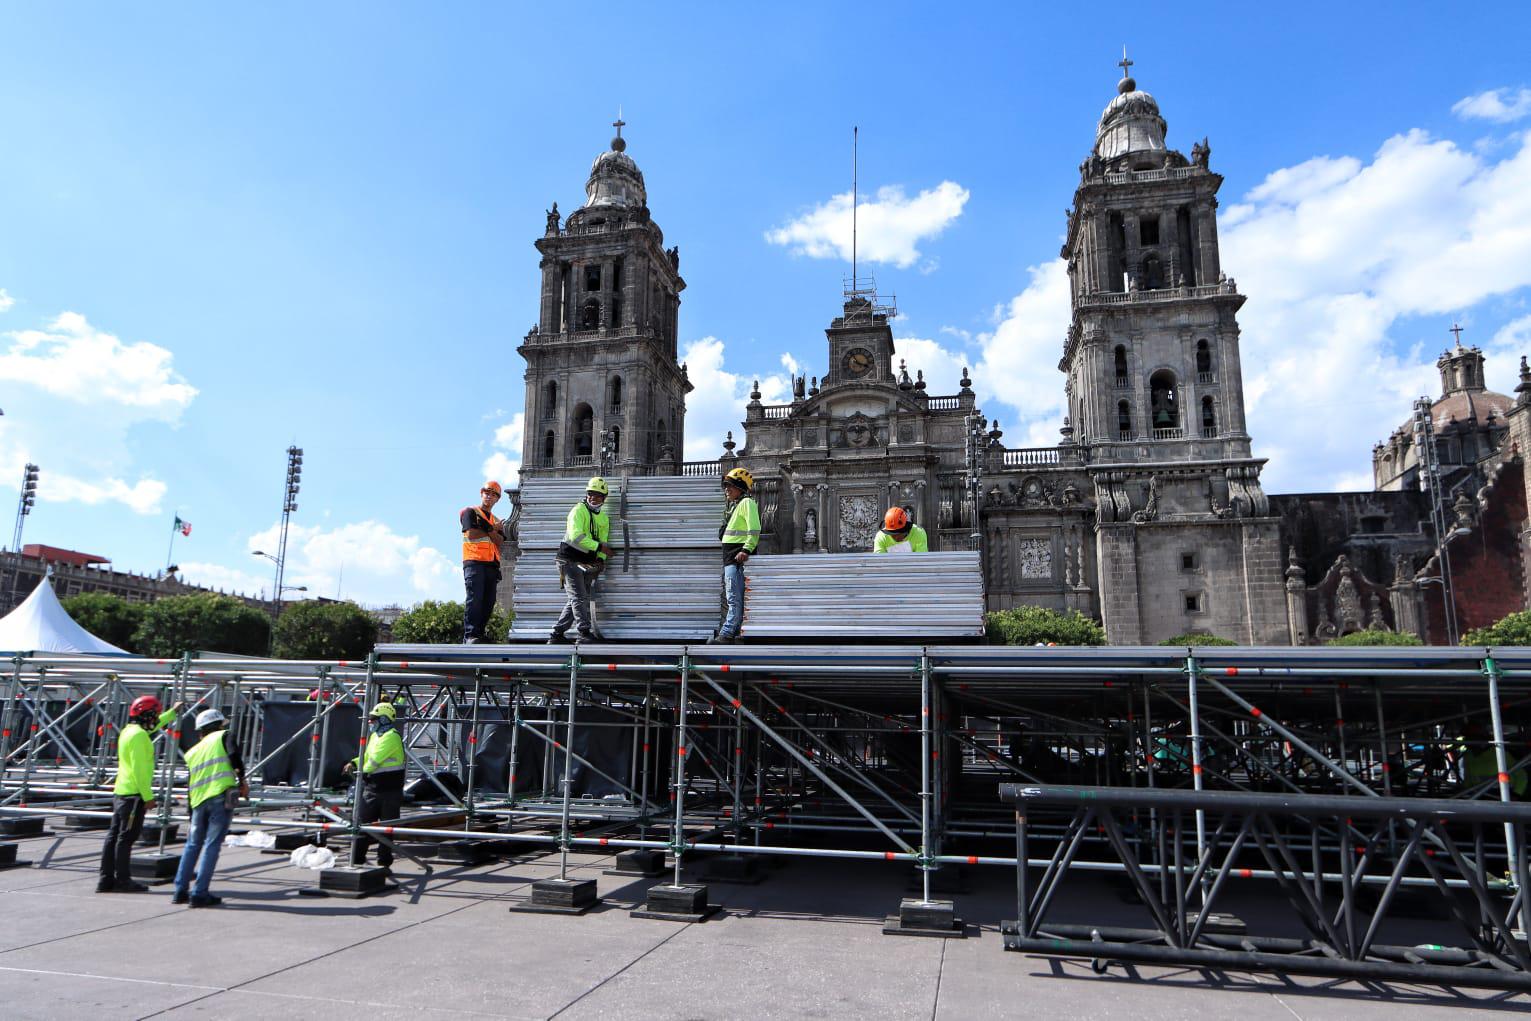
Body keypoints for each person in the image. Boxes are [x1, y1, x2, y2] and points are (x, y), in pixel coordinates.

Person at [97, 695, 182, 893]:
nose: (155, 718)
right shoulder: (139, 736)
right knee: (126, 838)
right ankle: (123, 880)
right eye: (154, 715)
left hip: (122, 792)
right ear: (146, 715)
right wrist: (147, 796)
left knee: (114, 837)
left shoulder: (129, 731)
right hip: (134, 795)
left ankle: (106, 879)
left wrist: (171, 713)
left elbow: (152, 727)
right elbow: (139, 770)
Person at [172, 708, 248, 907]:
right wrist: (242, 781)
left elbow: (191, 782)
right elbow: (234, 756)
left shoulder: (193, 751)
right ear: (217, 726)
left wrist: (190, 809)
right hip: (219, 797)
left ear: (201, 731)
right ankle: (199, 893)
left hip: (198, 802)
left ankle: (180, 891)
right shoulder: (223, 736)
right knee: (212, 845)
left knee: (192, 844)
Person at [549, 476, 614, 644]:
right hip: (568, 560)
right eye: (591, 493)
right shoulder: (578, 510)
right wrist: (599, 549)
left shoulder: (604, 519)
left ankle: (556, 634)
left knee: (576, 599)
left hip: (586, 562)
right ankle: (584, 633)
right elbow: (575, 536)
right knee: (579, 597)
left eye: (598, 495)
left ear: (604, 498)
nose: (593, 497)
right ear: (586, 494)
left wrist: (600, 560)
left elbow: (604, 540)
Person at [344, 702, 407, 869]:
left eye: (374, 719)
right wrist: (354, 763)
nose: (371, 722)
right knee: (362, 825)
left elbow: (374, 761)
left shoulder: (391, 736)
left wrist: (360, 772)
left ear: (385, 719)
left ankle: (384, 864)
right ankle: (356, 860)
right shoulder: (375, 736)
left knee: (386, 830)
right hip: (372, 788)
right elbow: (366, 756)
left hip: (389, 791)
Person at [711, 467, 759, 644]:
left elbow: (754, 529)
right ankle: (735, 630)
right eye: (726, 486)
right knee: (733, 596)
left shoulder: (747, 503)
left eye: (730, 486)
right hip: (731, 557)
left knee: (734, 596)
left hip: (736, 558)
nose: (727, 490)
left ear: (740, 487)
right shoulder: (736, 506)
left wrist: (746, 550)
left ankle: (728, 632)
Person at [461, 480, 506, 643]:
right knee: (475, 598)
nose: (489, 496)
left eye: (493, 494)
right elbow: (472, 534)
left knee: (489, 601)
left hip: (491, 564)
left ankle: (479, 633)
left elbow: (500, 540)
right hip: (474, 561)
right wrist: (492, 529)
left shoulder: (495, 519)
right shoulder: (470, 512)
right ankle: (470, 634)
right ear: (481, 493)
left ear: (497, 499)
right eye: (487, 492)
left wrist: (487, 529)